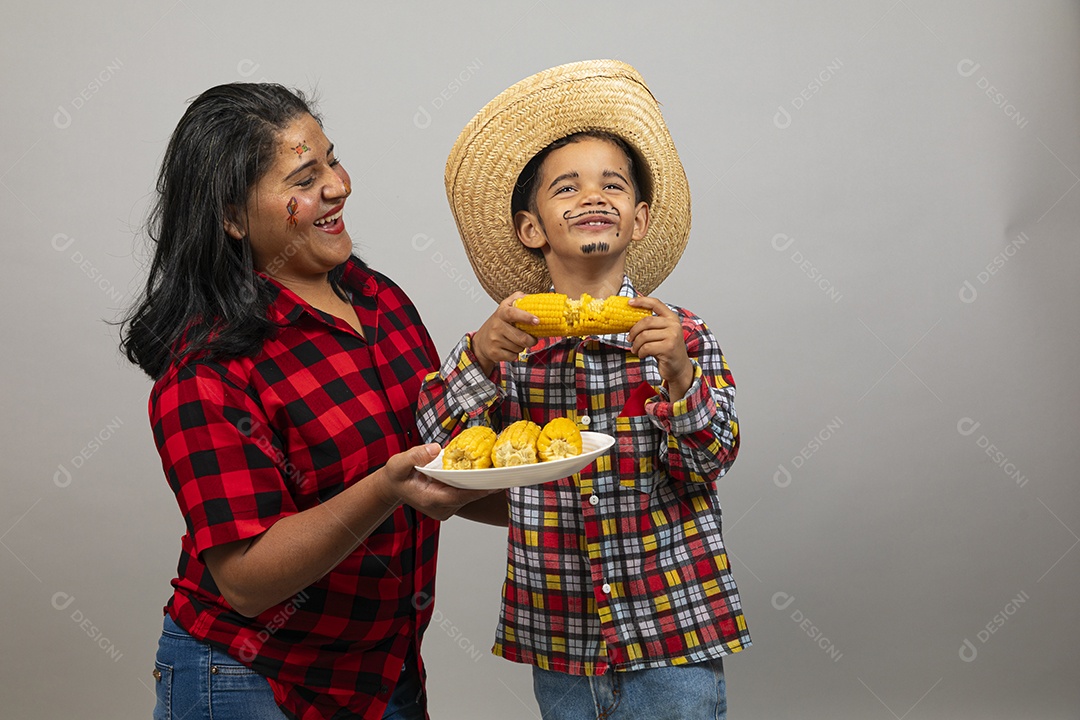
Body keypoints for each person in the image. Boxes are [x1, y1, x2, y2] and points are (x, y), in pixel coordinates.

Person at [120, 83, 494, 720]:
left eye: (332, 160)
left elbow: (439, 470)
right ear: (233, 217)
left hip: (382, 670)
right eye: (305, 176)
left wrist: (580, 485)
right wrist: (385, 488)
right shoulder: (205, 370)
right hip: (250, 678)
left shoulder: (379, 298)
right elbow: (244, 579)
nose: (339, 186)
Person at [417, 60, 751, 719]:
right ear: (531, 228)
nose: (593, 196)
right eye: (566, 188)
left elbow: (708, 465)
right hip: (561, 634)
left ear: (639, 218)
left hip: (672, 628)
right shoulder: (506, 344)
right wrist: (479, 357)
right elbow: (436, 455)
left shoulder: (682, 335)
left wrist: (680, 377)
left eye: (614, 185)